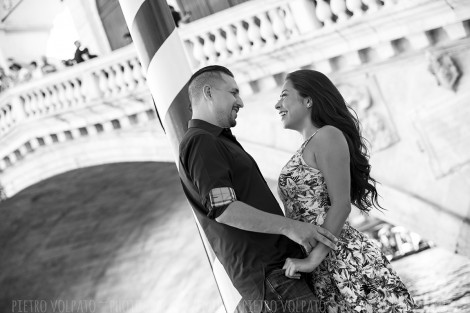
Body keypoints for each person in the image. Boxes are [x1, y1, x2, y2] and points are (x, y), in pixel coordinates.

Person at [179, 65, 341, 313]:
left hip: (277, 277)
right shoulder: (202, 141)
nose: (240, 101)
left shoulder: (216, 140)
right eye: (233, 93)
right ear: (209, 93)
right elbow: (224, 209)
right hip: (271, 279)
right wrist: (291, 227)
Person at [275, 70, 415, 312]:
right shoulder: (308, 146)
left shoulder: (327, 135)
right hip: (324, 269)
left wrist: (312, 260)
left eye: (284, 96)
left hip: (345, 263)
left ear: (308, 100)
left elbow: (341, 205)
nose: (278, 104)